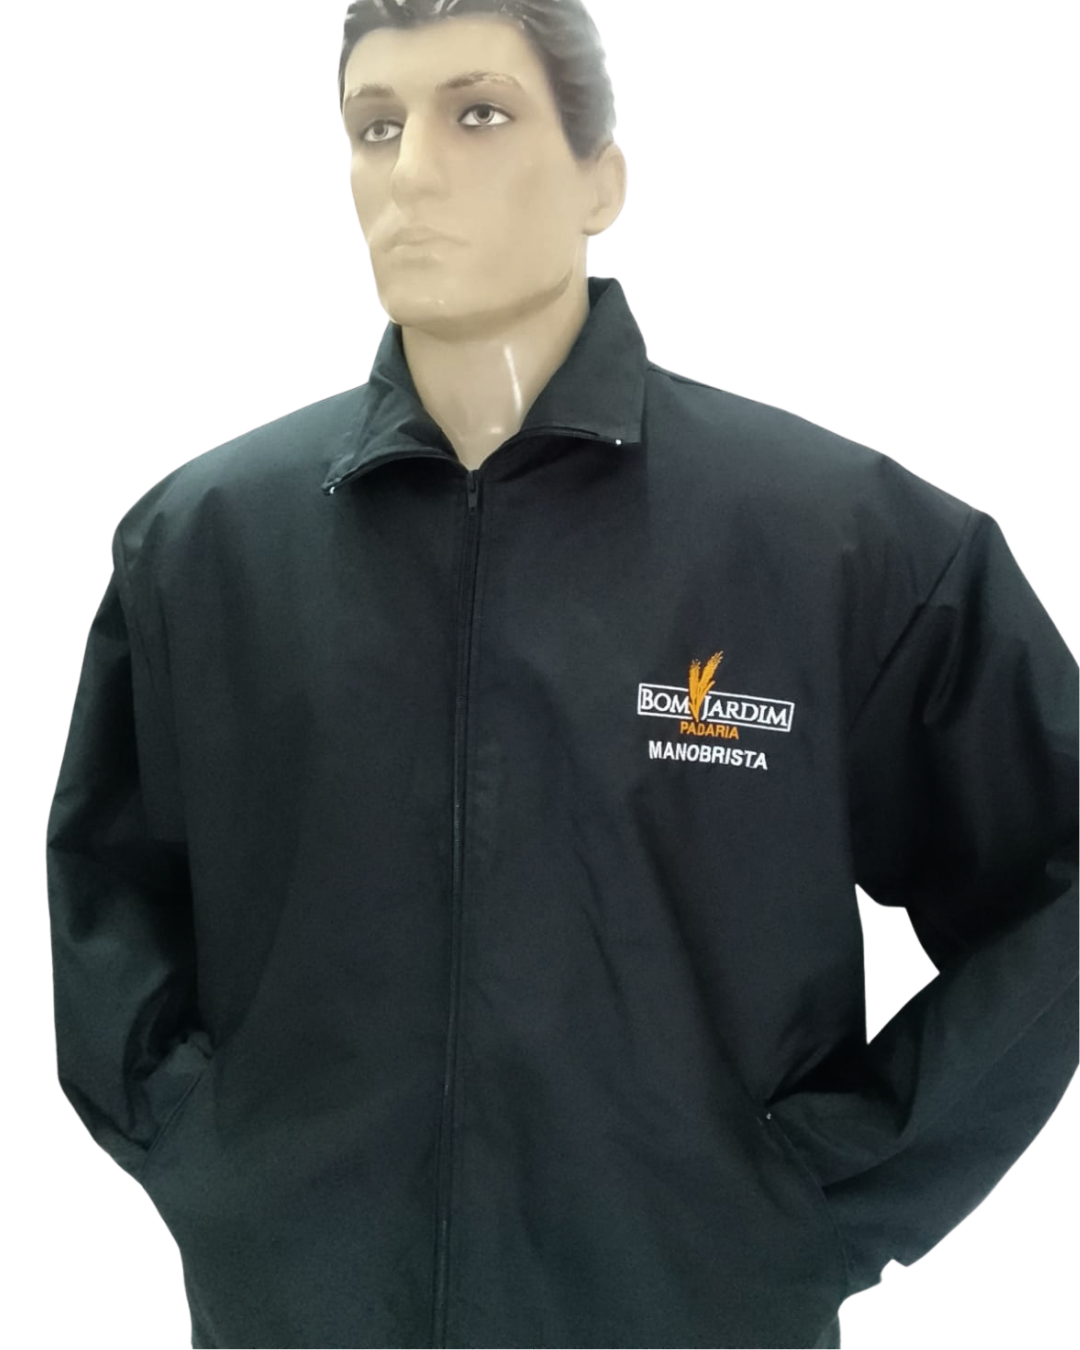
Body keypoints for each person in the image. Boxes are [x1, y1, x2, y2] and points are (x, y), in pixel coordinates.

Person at [44, 2, 1078, 1347]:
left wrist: (830, 1188)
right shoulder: (204, 548)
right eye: (375, 126)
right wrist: (208, 1151)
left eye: (479, 114)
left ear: (602, 179)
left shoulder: (837, 544)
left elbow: (1056, 877)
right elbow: (109, 893)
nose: (414, 171)